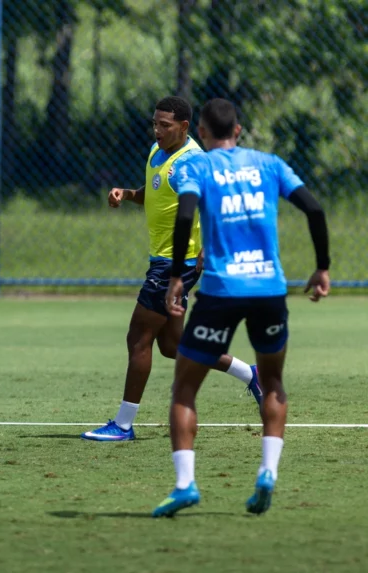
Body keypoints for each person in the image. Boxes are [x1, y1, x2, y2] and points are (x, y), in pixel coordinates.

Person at [152, 98, 330, 517]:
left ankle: (185, 485)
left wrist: (177, 276)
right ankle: (267, 473)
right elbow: (315, 208)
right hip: (269, 288)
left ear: (204, 134)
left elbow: (185, 217)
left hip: (219, 290)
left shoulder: (199, 166)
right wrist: (322, 268)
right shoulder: (270, 165)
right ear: (240, 129)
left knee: (184, 389)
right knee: (272, 383)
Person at [82, 96, 261, 442]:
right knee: (174, 345)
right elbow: (154, 195)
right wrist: (127, 194)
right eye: (154, 123)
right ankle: (251, 374)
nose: (157, 130)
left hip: (174, 264)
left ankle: (122, 424)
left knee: (138, 339)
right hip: (163, 260)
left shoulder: (192, 162)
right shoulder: (157, 151)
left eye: (164, 125)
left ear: (183, 127)